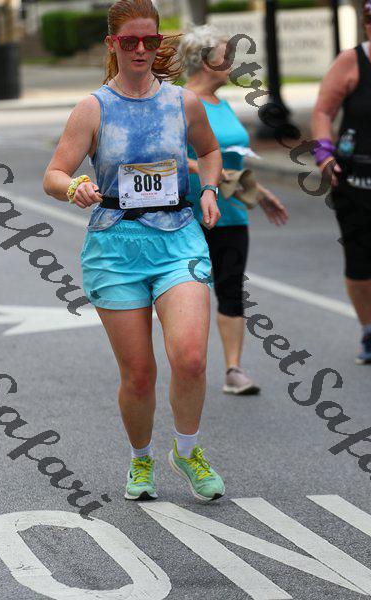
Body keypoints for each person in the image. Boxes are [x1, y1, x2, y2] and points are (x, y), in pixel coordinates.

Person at [43, 0, 226, 502]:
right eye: (130, 41)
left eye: (150, 40)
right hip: (115, 248)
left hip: (178, 240)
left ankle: (187, 451)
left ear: (159, 42)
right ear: (113, 45)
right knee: (139, 374)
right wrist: (73, 187)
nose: (141, 49)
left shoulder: (183, 103)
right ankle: (141, 458)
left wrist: (209, 190)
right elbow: (54, 174)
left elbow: (210, 151)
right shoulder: (93, 108)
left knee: (191, 357)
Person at [178, 25, 288, 395]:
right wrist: (207, 171)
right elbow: (171, 157)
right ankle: (188, 366)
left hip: (232, 212)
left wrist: (259, 192)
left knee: (231, 289)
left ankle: (233, 370)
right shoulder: (180, 102)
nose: (233, 63)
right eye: (226, 56)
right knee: (188, 294)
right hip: (189, 215)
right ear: (204, 61)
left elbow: (230, 161)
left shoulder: (220, 103)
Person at [312, 0, 371, 365]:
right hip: (356, 182)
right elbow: (322, 111)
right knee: (360, 264)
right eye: (370, 19)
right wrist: (324, 153)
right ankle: (368, 330)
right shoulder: (352, 61)